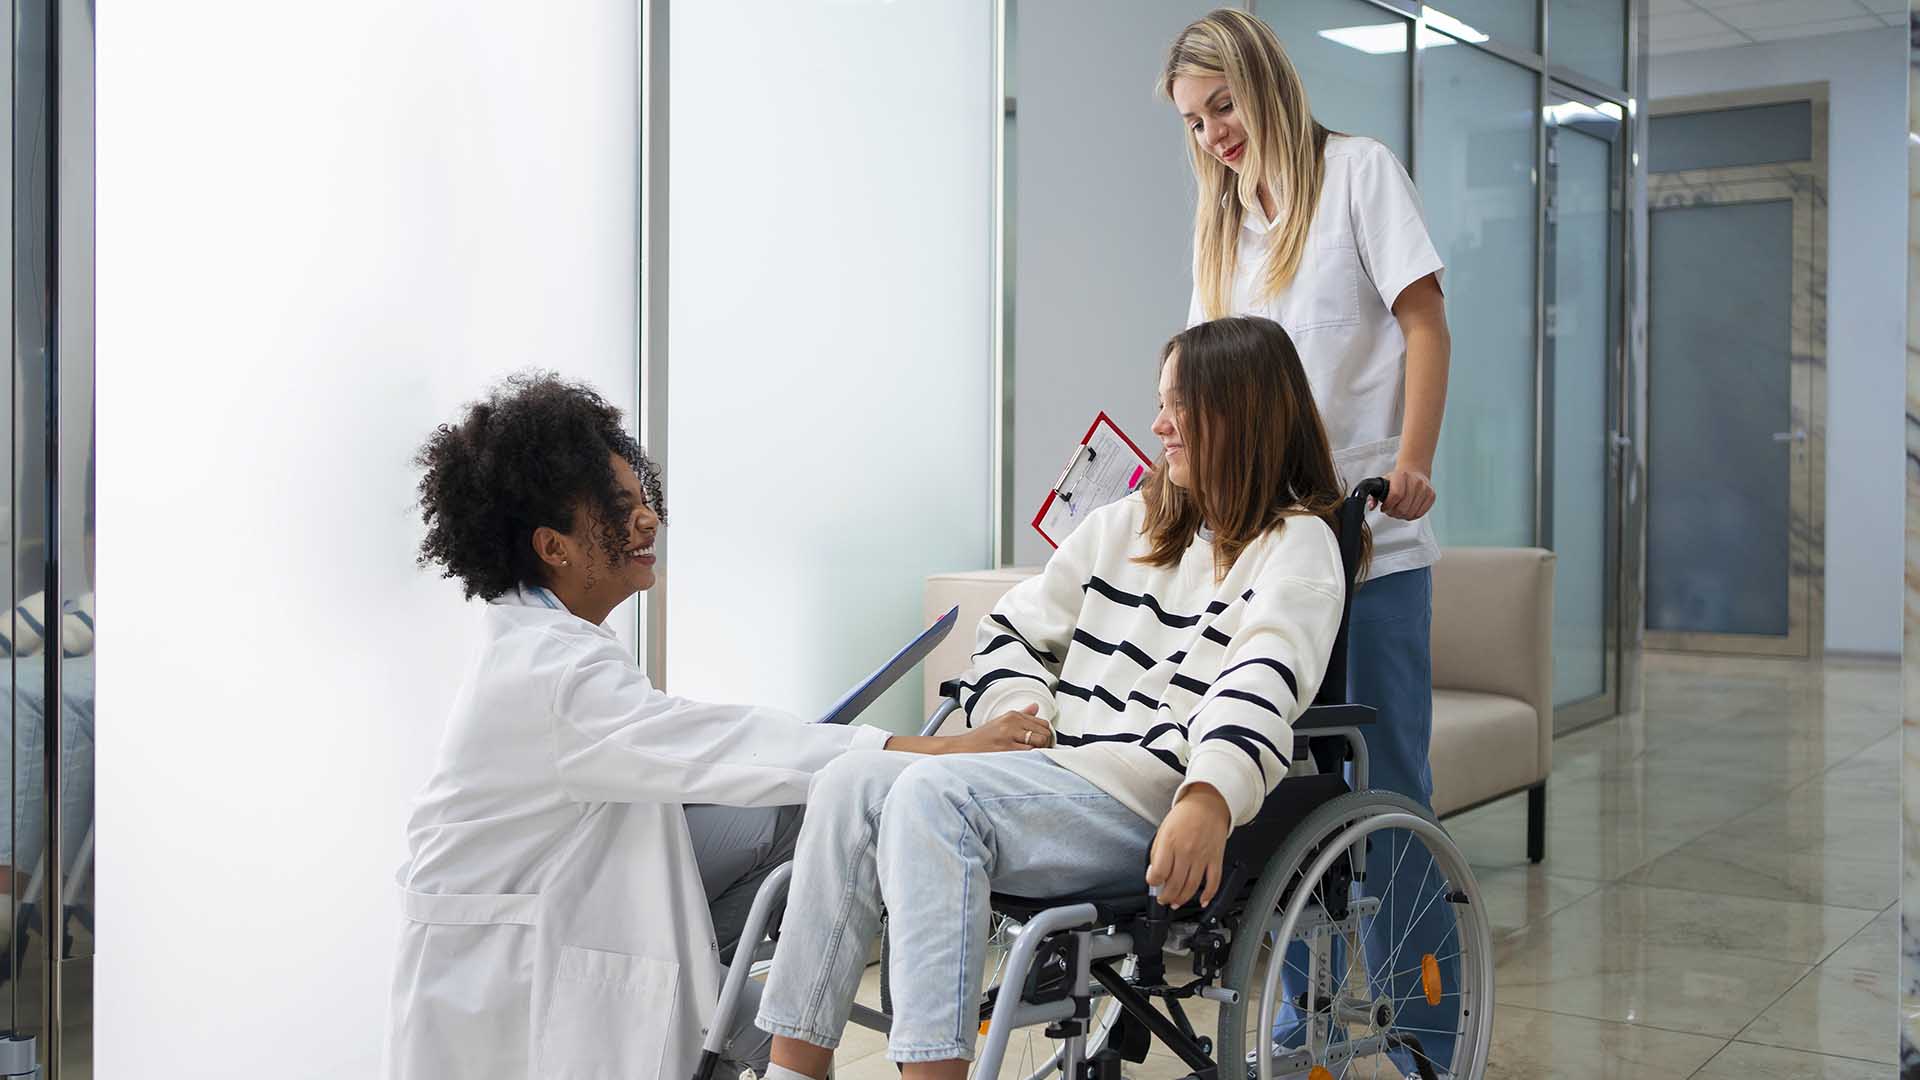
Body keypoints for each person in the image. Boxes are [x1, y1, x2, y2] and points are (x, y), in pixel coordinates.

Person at [384, 373, 1033, 1080]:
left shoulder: (546, 638)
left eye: (643, 499)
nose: (647, 520)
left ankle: (771, 1029)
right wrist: (935, 751)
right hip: (507, 979)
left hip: (564, 919)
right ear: (554, 546)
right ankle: (789, 1041)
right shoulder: (547, 671)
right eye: (618, 508)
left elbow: (713, 752)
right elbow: (718, 744)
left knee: (791, 817)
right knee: (810, 804)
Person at [756, 317, 1349, 1080]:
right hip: (1052, 778)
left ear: (1240, 415)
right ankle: (793, 1072)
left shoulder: (1297, 544)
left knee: (933, 797)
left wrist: (1208, 797)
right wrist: (1023, 714)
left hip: (1150, 800)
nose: (1159, 425)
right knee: (846, 780)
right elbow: (1009, 632)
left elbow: (1262, 681)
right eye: (1160, 403)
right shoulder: (1129, 524)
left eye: (1180, 406)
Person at [1161, 9, 1458, 1072]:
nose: (1214, 134)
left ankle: (1428, 1039)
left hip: (1372, 546)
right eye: (1195, 122)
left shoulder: (1359, 175)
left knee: (1388, 795)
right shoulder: (1223, 229)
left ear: (1265, 81)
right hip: (1269, 561)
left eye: (1223, 105)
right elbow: (1206, 385)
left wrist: (1413, 462)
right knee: (1272, 789)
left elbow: (1425, 323)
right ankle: (1301, 1028)